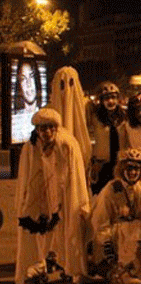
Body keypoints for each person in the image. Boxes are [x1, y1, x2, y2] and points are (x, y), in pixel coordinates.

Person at [15, 108, 90, 284]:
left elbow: (76, 177)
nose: (47, 132)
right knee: (40, 238)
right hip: (40, 201)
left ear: (56, 128)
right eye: (42, 129)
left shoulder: (67, 145)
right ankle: (40, 268)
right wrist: (25, 202)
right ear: (37, 130)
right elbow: (25, 176)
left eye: (50, 128)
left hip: (63, 198)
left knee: (63, 236)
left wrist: (78, 202)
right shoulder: (30, 147)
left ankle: (64, 268)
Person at [90, 148, 141, 284]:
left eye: (136, 169)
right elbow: (100, 221)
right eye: (129, 168)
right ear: (121, 169)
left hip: (131, 239)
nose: (133, 172)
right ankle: (121, 272)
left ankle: (138, 268)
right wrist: (108, 249)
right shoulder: (112, 189)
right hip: (111, 240)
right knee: (127, 226)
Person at [49, 66, 91, 171]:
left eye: (71, 83)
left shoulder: (86, 106)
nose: (67, 89)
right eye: (62, 84)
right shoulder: (49, 112)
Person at [89, 81, 128, 194]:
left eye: (113, 97)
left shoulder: (124, 116)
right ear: (101, 100)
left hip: (119, 164)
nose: (110, 101)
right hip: (101, 164)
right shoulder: (95, 117)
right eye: (106, 98)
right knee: (100, 196)